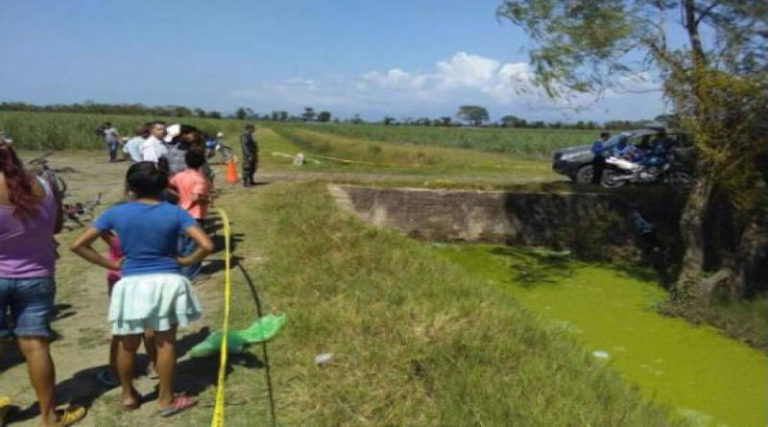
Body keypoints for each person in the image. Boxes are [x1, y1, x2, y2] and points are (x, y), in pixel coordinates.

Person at [70, 162, 212, 416]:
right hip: (167, 280)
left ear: (130, 187)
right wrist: (186, 260)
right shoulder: (175, 212)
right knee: (165, 342)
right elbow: (206, 245)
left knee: (127, 342)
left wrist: (111, 263)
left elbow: (78, 245)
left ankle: (128, 395)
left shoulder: (116, 213)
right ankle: (165, 398)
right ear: (162, 186)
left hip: (132, 282)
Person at [0, 141, 86, 426]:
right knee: (36, 345)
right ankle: (49, 416)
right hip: (37, 274)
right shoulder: (45, 184)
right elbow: (57, 226)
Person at [169, 150, 212, 279]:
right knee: (193, 246)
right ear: (202, 162)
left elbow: (168, 186)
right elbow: (196, 198)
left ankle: (177, 271)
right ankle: (190, 274)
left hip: (180, 213)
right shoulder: (200, 179)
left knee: (180, 245)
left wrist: (179, 197)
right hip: (195, 216)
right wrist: (208, 200)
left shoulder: (179, 176)